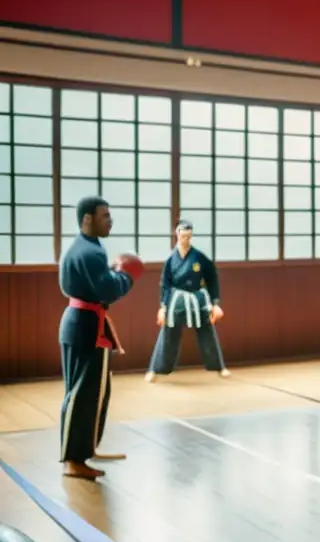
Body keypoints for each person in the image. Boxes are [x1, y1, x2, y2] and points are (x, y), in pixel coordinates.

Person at [58, 196, 143, 479]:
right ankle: (73, 460)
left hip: (79, 322)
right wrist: (126, 276)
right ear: (87, 219)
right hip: (86, 327)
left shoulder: (82, 247)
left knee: (93, 392)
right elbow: (108, 291)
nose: (110, 220)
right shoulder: (91, 252)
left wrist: (113, 274)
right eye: (104, 215)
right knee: (83, 394)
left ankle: (85, 450)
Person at [144, 219, 229, 382]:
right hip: (177, 300)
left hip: (197, 299)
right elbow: (165, 284)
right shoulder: (171, 259)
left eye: (189, 237)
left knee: (208, 333)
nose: (186, 240)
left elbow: (212, 277)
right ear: (177, 235)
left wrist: (215, 303)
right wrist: (163, 307)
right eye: (183, 236)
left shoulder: (199, 257)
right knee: (168, 334)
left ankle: (219, 367)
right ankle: (155, 369)